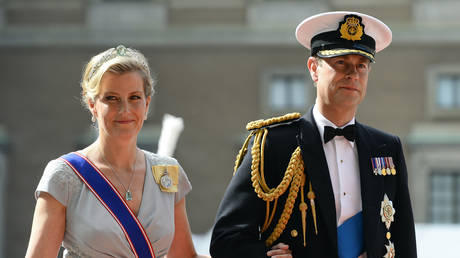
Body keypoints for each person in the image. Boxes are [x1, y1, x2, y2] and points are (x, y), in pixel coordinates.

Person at [210, 11, 417, 258]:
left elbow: (403, 239)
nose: (353, 74)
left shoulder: (385, 147)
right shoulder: (273, 144)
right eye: (340, 63)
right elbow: (226, 238)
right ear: (313, 68)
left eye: (361, 65)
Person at [26, 45, 209, 258]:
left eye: (134, 98)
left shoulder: (167, 171)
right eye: (111, 98)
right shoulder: (63, 176)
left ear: (147, 104)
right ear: (92, 105)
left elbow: (184, 256)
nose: (125, 110)